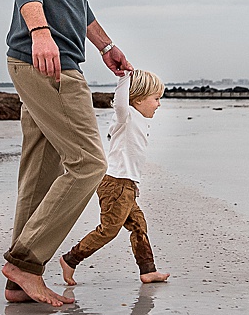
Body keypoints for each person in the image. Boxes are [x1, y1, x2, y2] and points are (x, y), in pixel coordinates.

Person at [2, 0, 132, 306]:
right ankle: (26, 262)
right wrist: (40, 33)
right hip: (46, 57)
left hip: (55, 54)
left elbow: (74, 0)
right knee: (89, 162)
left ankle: (19, 280)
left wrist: (105, 45)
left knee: (42, 168)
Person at [59, 69, 170, 285]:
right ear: (137, 99)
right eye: (156, 99)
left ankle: (148, 270)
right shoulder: (126, 116)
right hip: (115, 184)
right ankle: (70, 259)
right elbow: (120, 103)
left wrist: (133, 186)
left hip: (126, 185)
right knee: (109, 230)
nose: (159, 104)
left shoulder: (139, 120)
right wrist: (124, 78)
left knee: (139, 225)